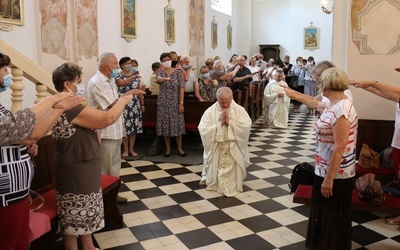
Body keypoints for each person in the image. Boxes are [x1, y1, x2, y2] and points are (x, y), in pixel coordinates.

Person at [0, 53, 84, 250]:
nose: (7, 74)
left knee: (20, 243)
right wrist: (56, 102)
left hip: (16, 192)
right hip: (4, 194)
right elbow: (19, 124)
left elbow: (20, 134)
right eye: (4, 70)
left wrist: (24, 144)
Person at [51, 62, 138, 250]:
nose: (81, 85)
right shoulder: (67, 107)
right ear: (67, 84)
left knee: (85, 212)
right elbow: (106, 119)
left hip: (83, 164)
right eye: (78, 82)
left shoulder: (70, 104)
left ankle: (88, 246)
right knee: (74, 215)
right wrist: (124, 100)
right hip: (75, 167)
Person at [305, 67, 358, 250]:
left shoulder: (342, 109)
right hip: (324, 167)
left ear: (328, 84)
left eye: (320, 81)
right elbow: (312, 104)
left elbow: (340, 147)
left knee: (332, 214)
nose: (318, 84)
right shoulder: (332, 104)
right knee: (324, 212)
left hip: (336, 173)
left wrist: (329, 178)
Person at [87, 52, 145, 204]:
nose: (117, 68)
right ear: (107, 66)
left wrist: (126, 95)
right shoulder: (97, 82)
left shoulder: (110, 79)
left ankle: (112, 194)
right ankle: (104, 199)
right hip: (105, 132)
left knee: (115, 166)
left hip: (116, 130)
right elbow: (112, 104)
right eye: (115, 64)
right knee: (105, 168)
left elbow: (116, 101)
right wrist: (129, 95)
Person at [350, 75, 400, 229]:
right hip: (398, 142)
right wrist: (364, 86)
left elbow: (393, 92)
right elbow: (386, 94)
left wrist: (372, 82)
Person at [198, 87, 251, 196]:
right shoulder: (210, 111)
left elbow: (246, 126)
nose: (225, 105)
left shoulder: (240, 110)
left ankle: (233, 183)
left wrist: (230, 122)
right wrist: (219, 124)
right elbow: (203, 129)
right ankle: (216, 182)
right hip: (217, 147)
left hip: (233, 147)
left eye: (227, 102)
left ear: (232, 98)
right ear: (217, 99)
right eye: (222, 103)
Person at [282, 61, 353, 112]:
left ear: (327, 77)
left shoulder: (342, 93)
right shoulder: (329, 90)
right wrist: (292, 92)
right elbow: (313, 99)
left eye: (318, 80)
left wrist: (295, 96)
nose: (317, 84)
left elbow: (316, 105)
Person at [156, 52, 186, 157]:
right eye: (163, 60)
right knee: (165, 126)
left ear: (171, 60)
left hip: (175, 103)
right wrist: (165, 78)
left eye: (167, 59)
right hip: (163, 103)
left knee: (177, 125)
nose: (166, 62)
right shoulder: (160, 72)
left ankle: (180, 147)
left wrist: (181, 103)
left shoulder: (178, 73)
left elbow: (181, 88)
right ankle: (168, 148)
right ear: (161, 62)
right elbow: (158, 80)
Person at [116, 57, 145, 158]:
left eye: (131, 64)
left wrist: (142, 104)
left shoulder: (135, 75)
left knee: (133, 127)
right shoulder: (117, 75)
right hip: (123, 104)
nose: (130, 65)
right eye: (127, 63)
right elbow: (121, 83)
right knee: (125, 127)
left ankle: (132, 149)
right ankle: (125, 149)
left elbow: (139, 90)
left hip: (134, 104)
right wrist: (133, 77)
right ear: (122, 65)